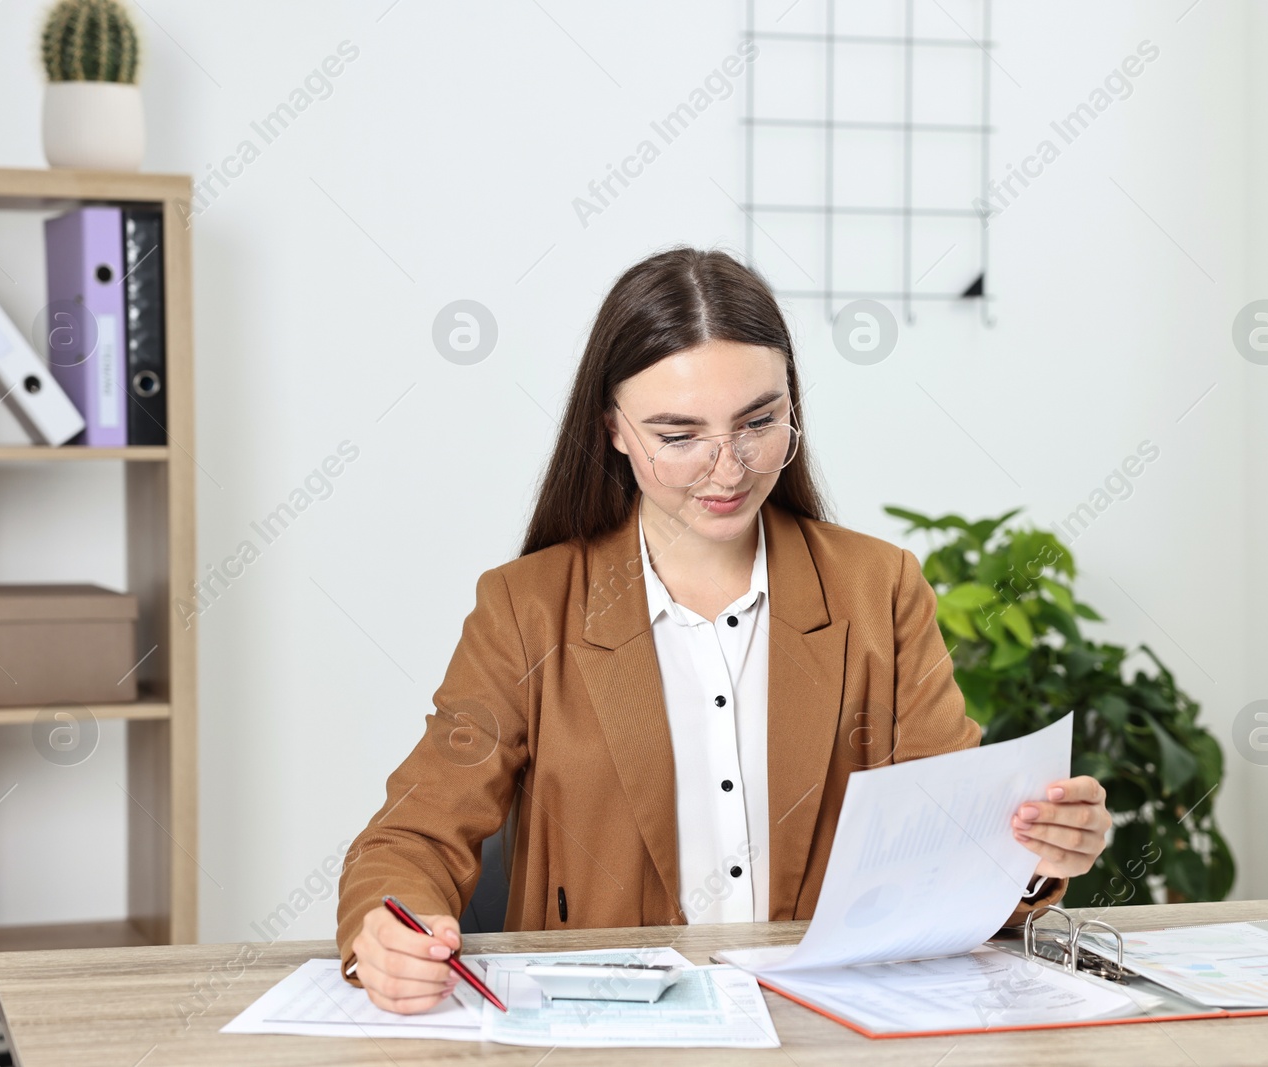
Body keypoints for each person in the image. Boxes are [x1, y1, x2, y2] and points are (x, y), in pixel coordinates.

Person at [336, 247, 1111, 1014]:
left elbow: (955, 853)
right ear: (613, 429)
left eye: (759, 422)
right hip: (607, 1033)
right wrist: (385, 931)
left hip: (822, 1028)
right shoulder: (527, 607)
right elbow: (412, 835)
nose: (730, 468)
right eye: (678, 436)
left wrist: (1034, 857)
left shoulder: (880, 591)